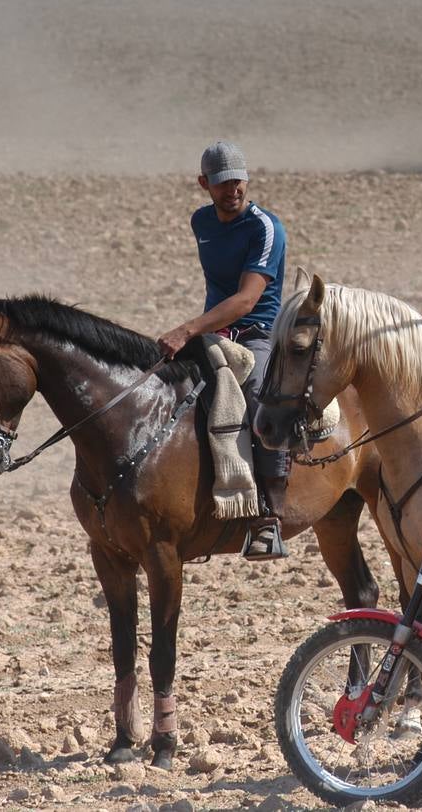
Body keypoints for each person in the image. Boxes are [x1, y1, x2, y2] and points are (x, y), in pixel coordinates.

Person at [157, 141, 291, 561]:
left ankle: (269, 516)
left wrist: (187, 329)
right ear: (204, 184)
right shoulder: (201, 221)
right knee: (177, 397)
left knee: (258, 398)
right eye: (220, 183)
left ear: (247, 179)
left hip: (257, 332)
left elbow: (247, 299)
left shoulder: (265, 228)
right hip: (215, 332)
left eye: (237, 180)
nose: (231, 189)